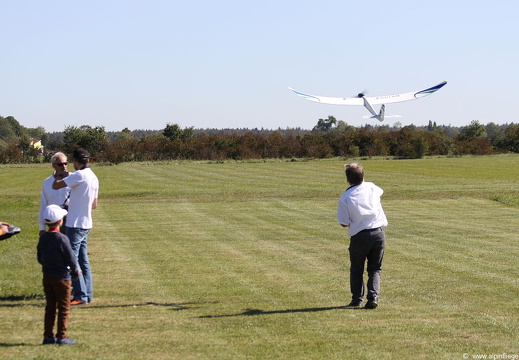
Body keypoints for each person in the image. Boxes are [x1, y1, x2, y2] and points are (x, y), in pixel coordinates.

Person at [337, 162, 388, 309]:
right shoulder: (372, 187)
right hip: (378, 232)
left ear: (348, 178)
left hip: (360, 236)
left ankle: (357, 299)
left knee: (357, 269)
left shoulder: (346, 197)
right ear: (363, 175)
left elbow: (343, 222)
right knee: (375, 269)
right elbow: (380, 193)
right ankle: (373, 297)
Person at [52, 148, 99, 306]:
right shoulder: (93, 177)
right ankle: (88, 294)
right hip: (87, 223)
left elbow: (56, 186)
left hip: (75, 223)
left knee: (73, 259)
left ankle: (80, 295)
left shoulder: (79, 175)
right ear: (89, 160)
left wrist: (61, 174)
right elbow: (94, 204)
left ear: (75, 161)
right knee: (83, 260)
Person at [37, 204, 80, 345]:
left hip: (47, 276)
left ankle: (48, 336)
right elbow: (71, 258)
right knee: (63, 308)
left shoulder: (43, 238)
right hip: (62, 278)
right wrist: (75, 271)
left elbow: (39, 257)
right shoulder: (62, 239)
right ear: (60, 221)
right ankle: (62, 337)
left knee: (50, 307)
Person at [39, 152, 71, 236]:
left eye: (65, 163)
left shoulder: (73, 179)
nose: (64, 166)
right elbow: (44, 204)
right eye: (60, 164)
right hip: (53, 221)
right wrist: (42, 227)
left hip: (71, 220)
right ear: (54, 165)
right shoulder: (47, 182)